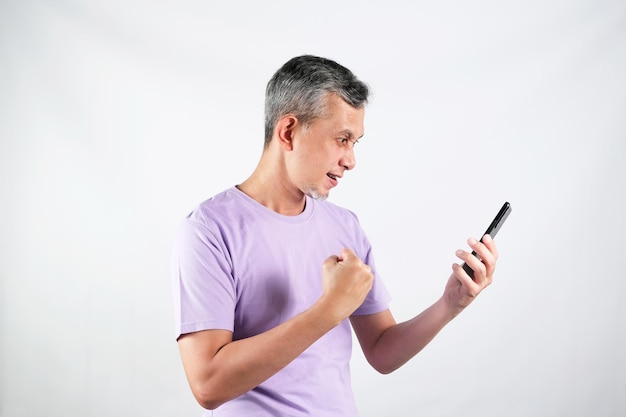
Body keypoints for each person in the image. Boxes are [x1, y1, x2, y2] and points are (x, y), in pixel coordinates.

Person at [171, 55, 499, 416]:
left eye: (355, 142)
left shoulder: (345, 227)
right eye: (342, 139)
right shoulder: (209, 230)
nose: (351, 159)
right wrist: (329, 310)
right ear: (288, 131)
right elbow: (208, 385)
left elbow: (382, 350)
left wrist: (449, 305)